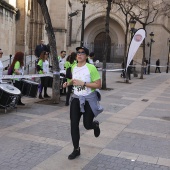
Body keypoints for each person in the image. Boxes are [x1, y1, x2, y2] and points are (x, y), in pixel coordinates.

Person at [63, 46, 103, 160]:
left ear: (86, 56)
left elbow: (98, 85)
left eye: (82, 53)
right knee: (73, 125)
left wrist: (83, 83)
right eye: (78, 53)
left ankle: (94, 125)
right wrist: (68, 83)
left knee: (86, 125)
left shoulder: (91, 68)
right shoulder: (74, 67)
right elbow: (74, 80)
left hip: (88, 99)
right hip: (76, 98)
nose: (79, 54)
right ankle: (76, 149)